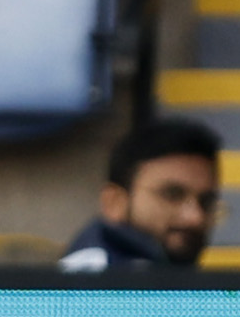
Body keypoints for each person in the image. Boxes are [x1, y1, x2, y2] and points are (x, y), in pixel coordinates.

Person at [56, 116, 221, 272]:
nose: (195, 218)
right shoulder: (91, 287)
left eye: (206, 202)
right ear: (114, 202)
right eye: (172, 195)